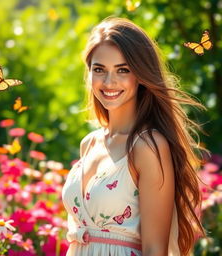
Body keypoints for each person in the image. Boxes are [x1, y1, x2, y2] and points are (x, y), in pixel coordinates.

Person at [62, 17, 207, 256]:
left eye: (123, 70)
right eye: (99, 70)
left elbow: (154, 249)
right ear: (89, 74)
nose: (109, 82)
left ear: (140, 75)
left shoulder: (148, 146)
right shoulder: (89, 144)